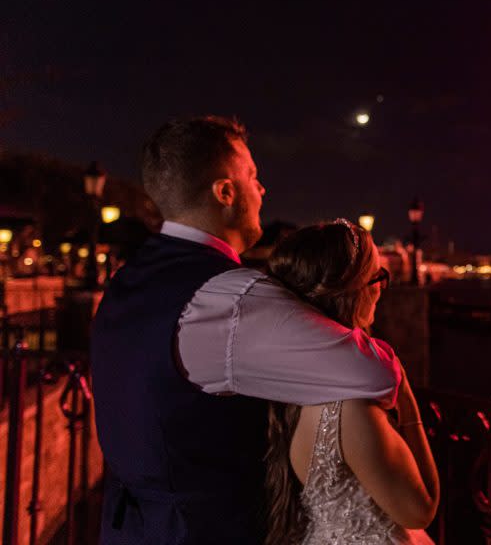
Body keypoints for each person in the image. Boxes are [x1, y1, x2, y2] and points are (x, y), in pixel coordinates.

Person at [90, 117, 401, 545]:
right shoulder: (230, 298)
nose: (262, 189)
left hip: (129, 528)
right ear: (225, 192)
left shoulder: (131, 278)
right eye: (253, 176)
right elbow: (374, 373)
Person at [264, 221, 438, 545]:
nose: (383, 288)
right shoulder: (351, 407)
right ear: (349, 295)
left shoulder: (300, 382)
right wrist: (408, 402)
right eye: (378, 277)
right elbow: (421, 509)